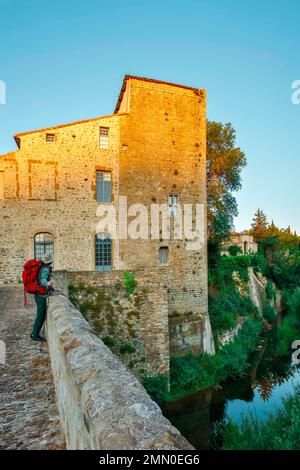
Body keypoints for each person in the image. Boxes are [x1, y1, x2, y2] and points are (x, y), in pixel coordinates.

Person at [30, 254, 54, 342]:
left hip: (38, 295)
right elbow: (42, 280)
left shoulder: (41, 267)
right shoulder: (45, 269)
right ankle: (34, 334)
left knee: (40, 315)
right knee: (40, 316)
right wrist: (48, 284)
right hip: (41, 296)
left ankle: (35, 333)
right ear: (50, 262)